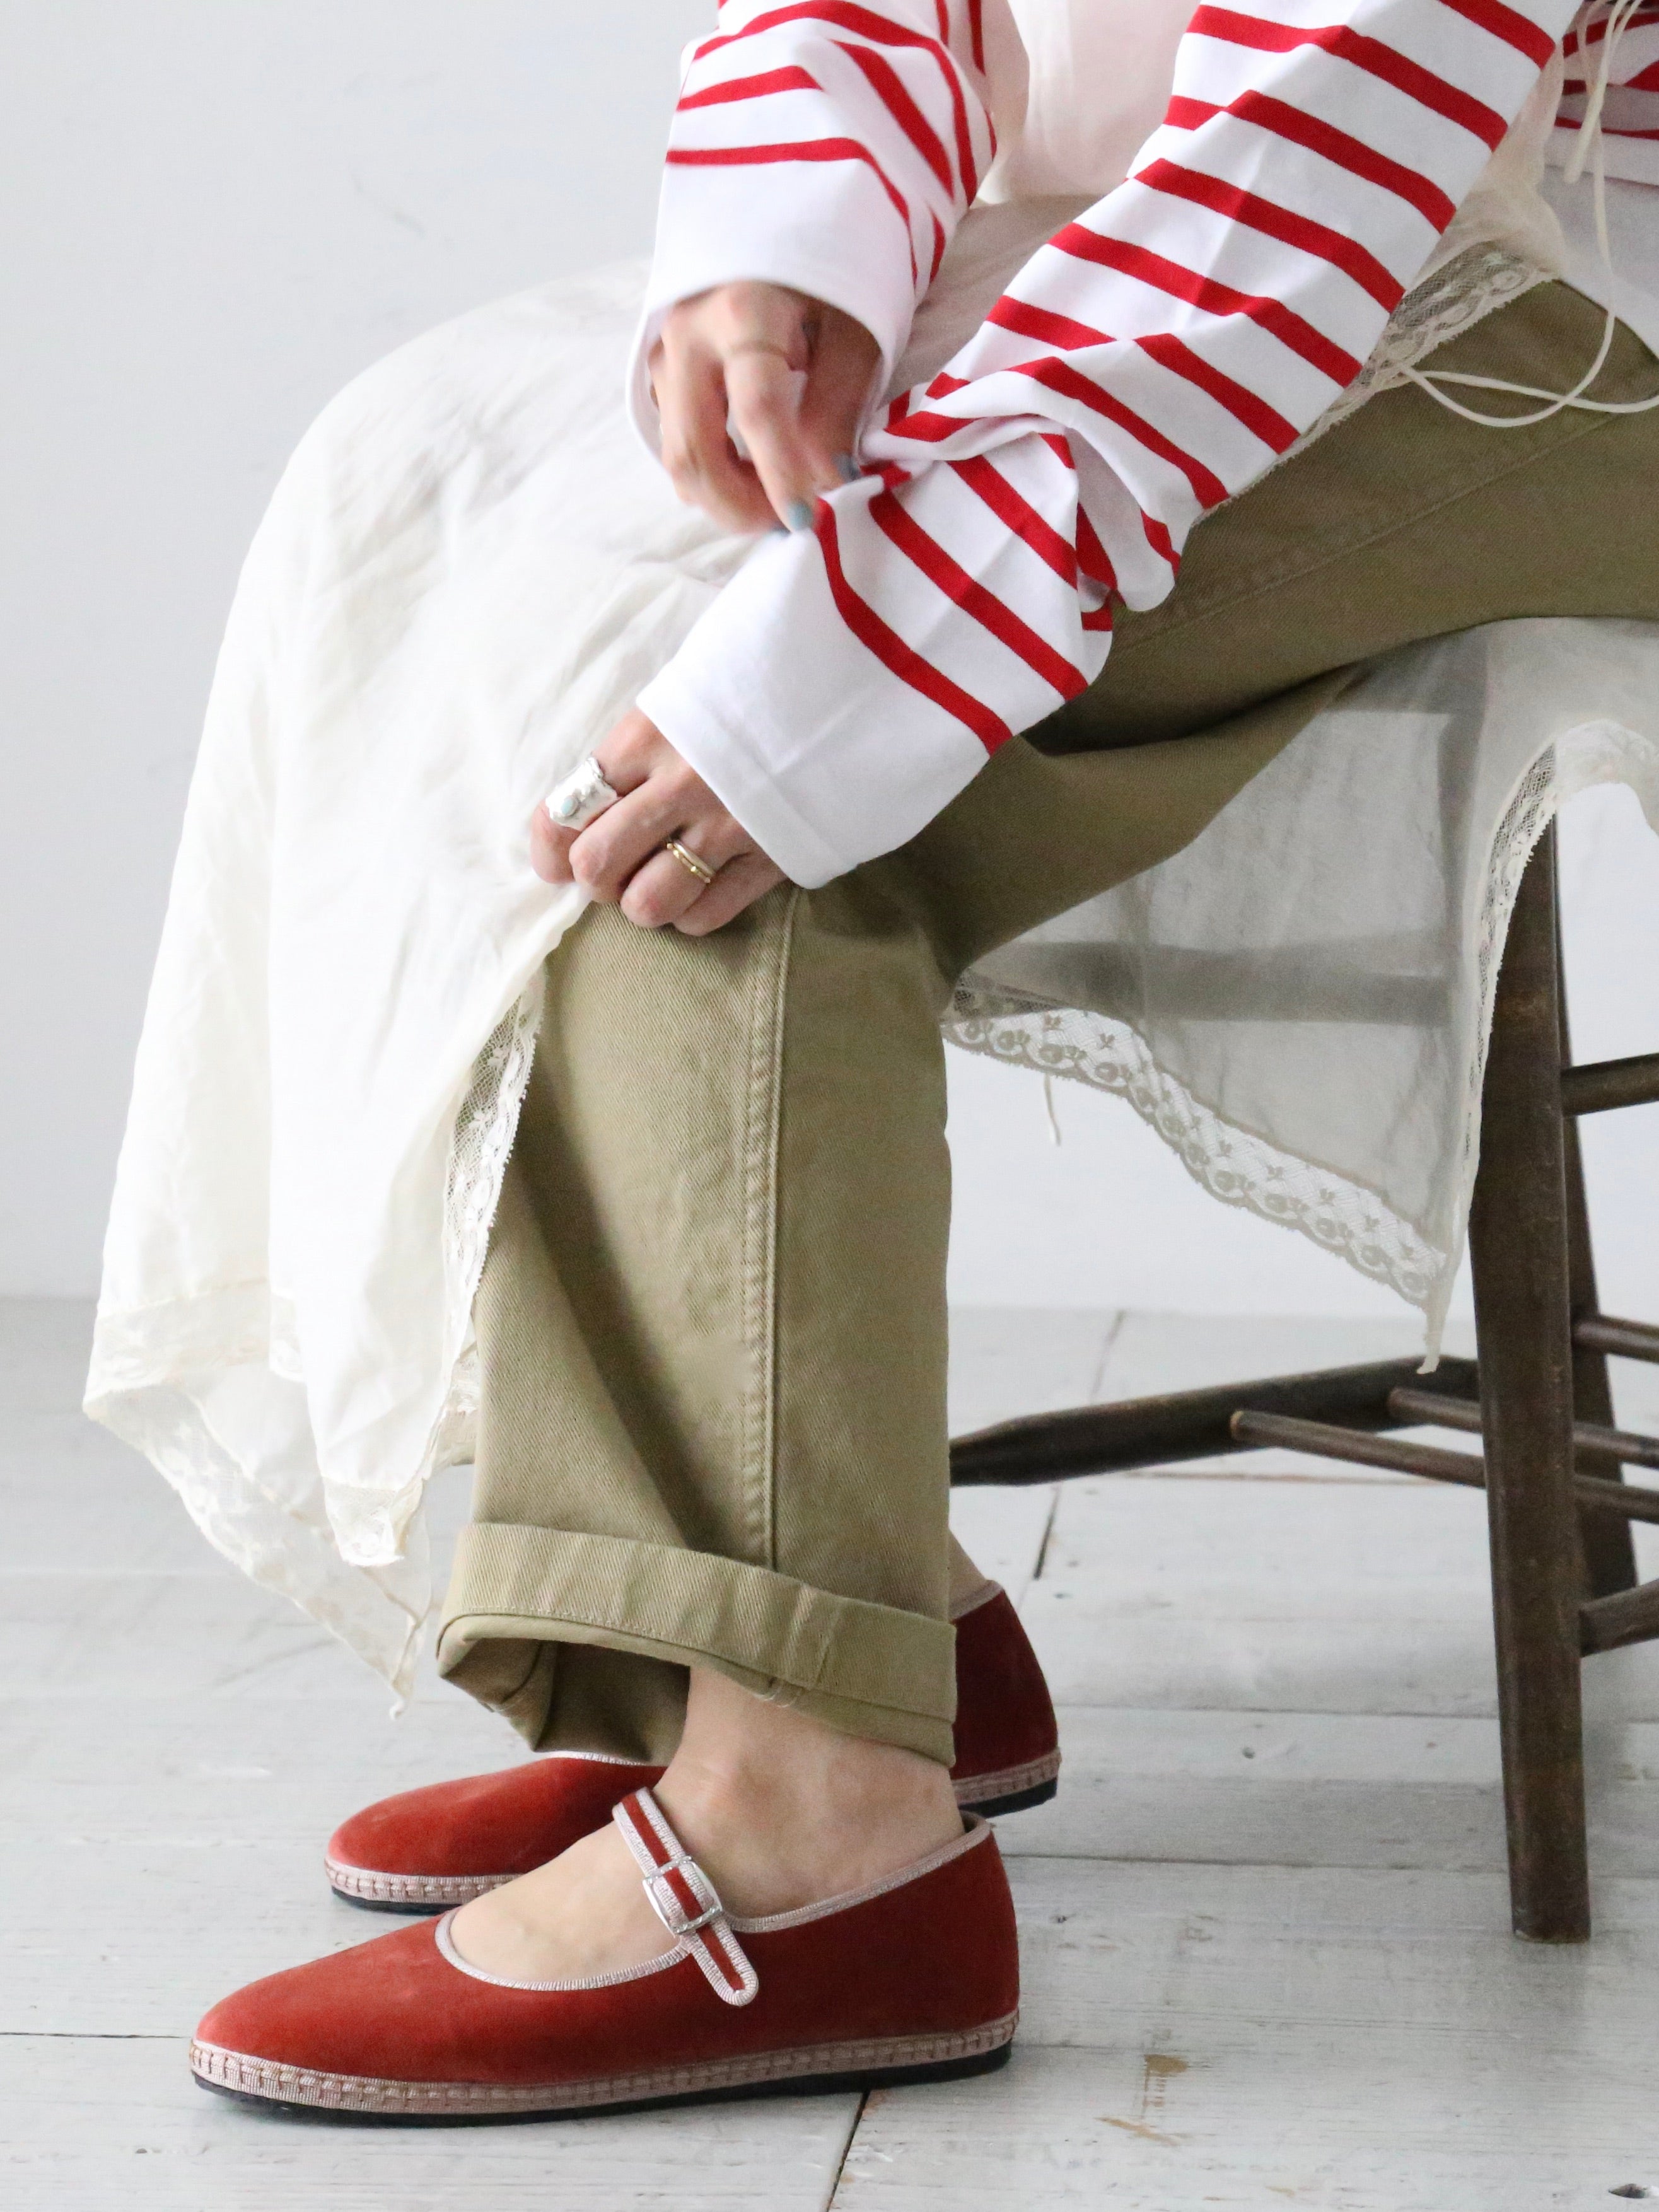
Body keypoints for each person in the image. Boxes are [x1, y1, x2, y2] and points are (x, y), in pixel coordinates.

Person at [98, 0, 1659, 2122]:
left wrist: (889, 636)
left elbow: (1341, 100)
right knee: (443, 476)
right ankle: (845, 1625)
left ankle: (813, 1817)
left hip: (1548, 255)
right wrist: (788, 245)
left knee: (750, 729)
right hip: (1167, 209)